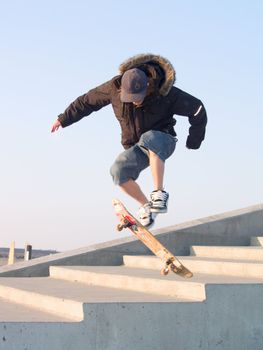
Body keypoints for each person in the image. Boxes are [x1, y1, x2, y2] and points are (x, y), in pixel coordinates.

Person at [51, 54, 207, 227]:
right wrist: (64, 119)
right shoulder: (113, 88)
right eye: (129, 98)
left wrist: (194, 140)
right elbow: (87, 101)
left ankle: (159, 193)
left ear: (148, 86)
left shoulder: (165, 92)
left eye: (137, 97)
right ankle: (145, 206)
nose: (133, 102)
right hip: (138, 147)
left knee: (150, 138)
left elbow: (198, 109)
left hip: (164, 140)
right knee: (118, 171)